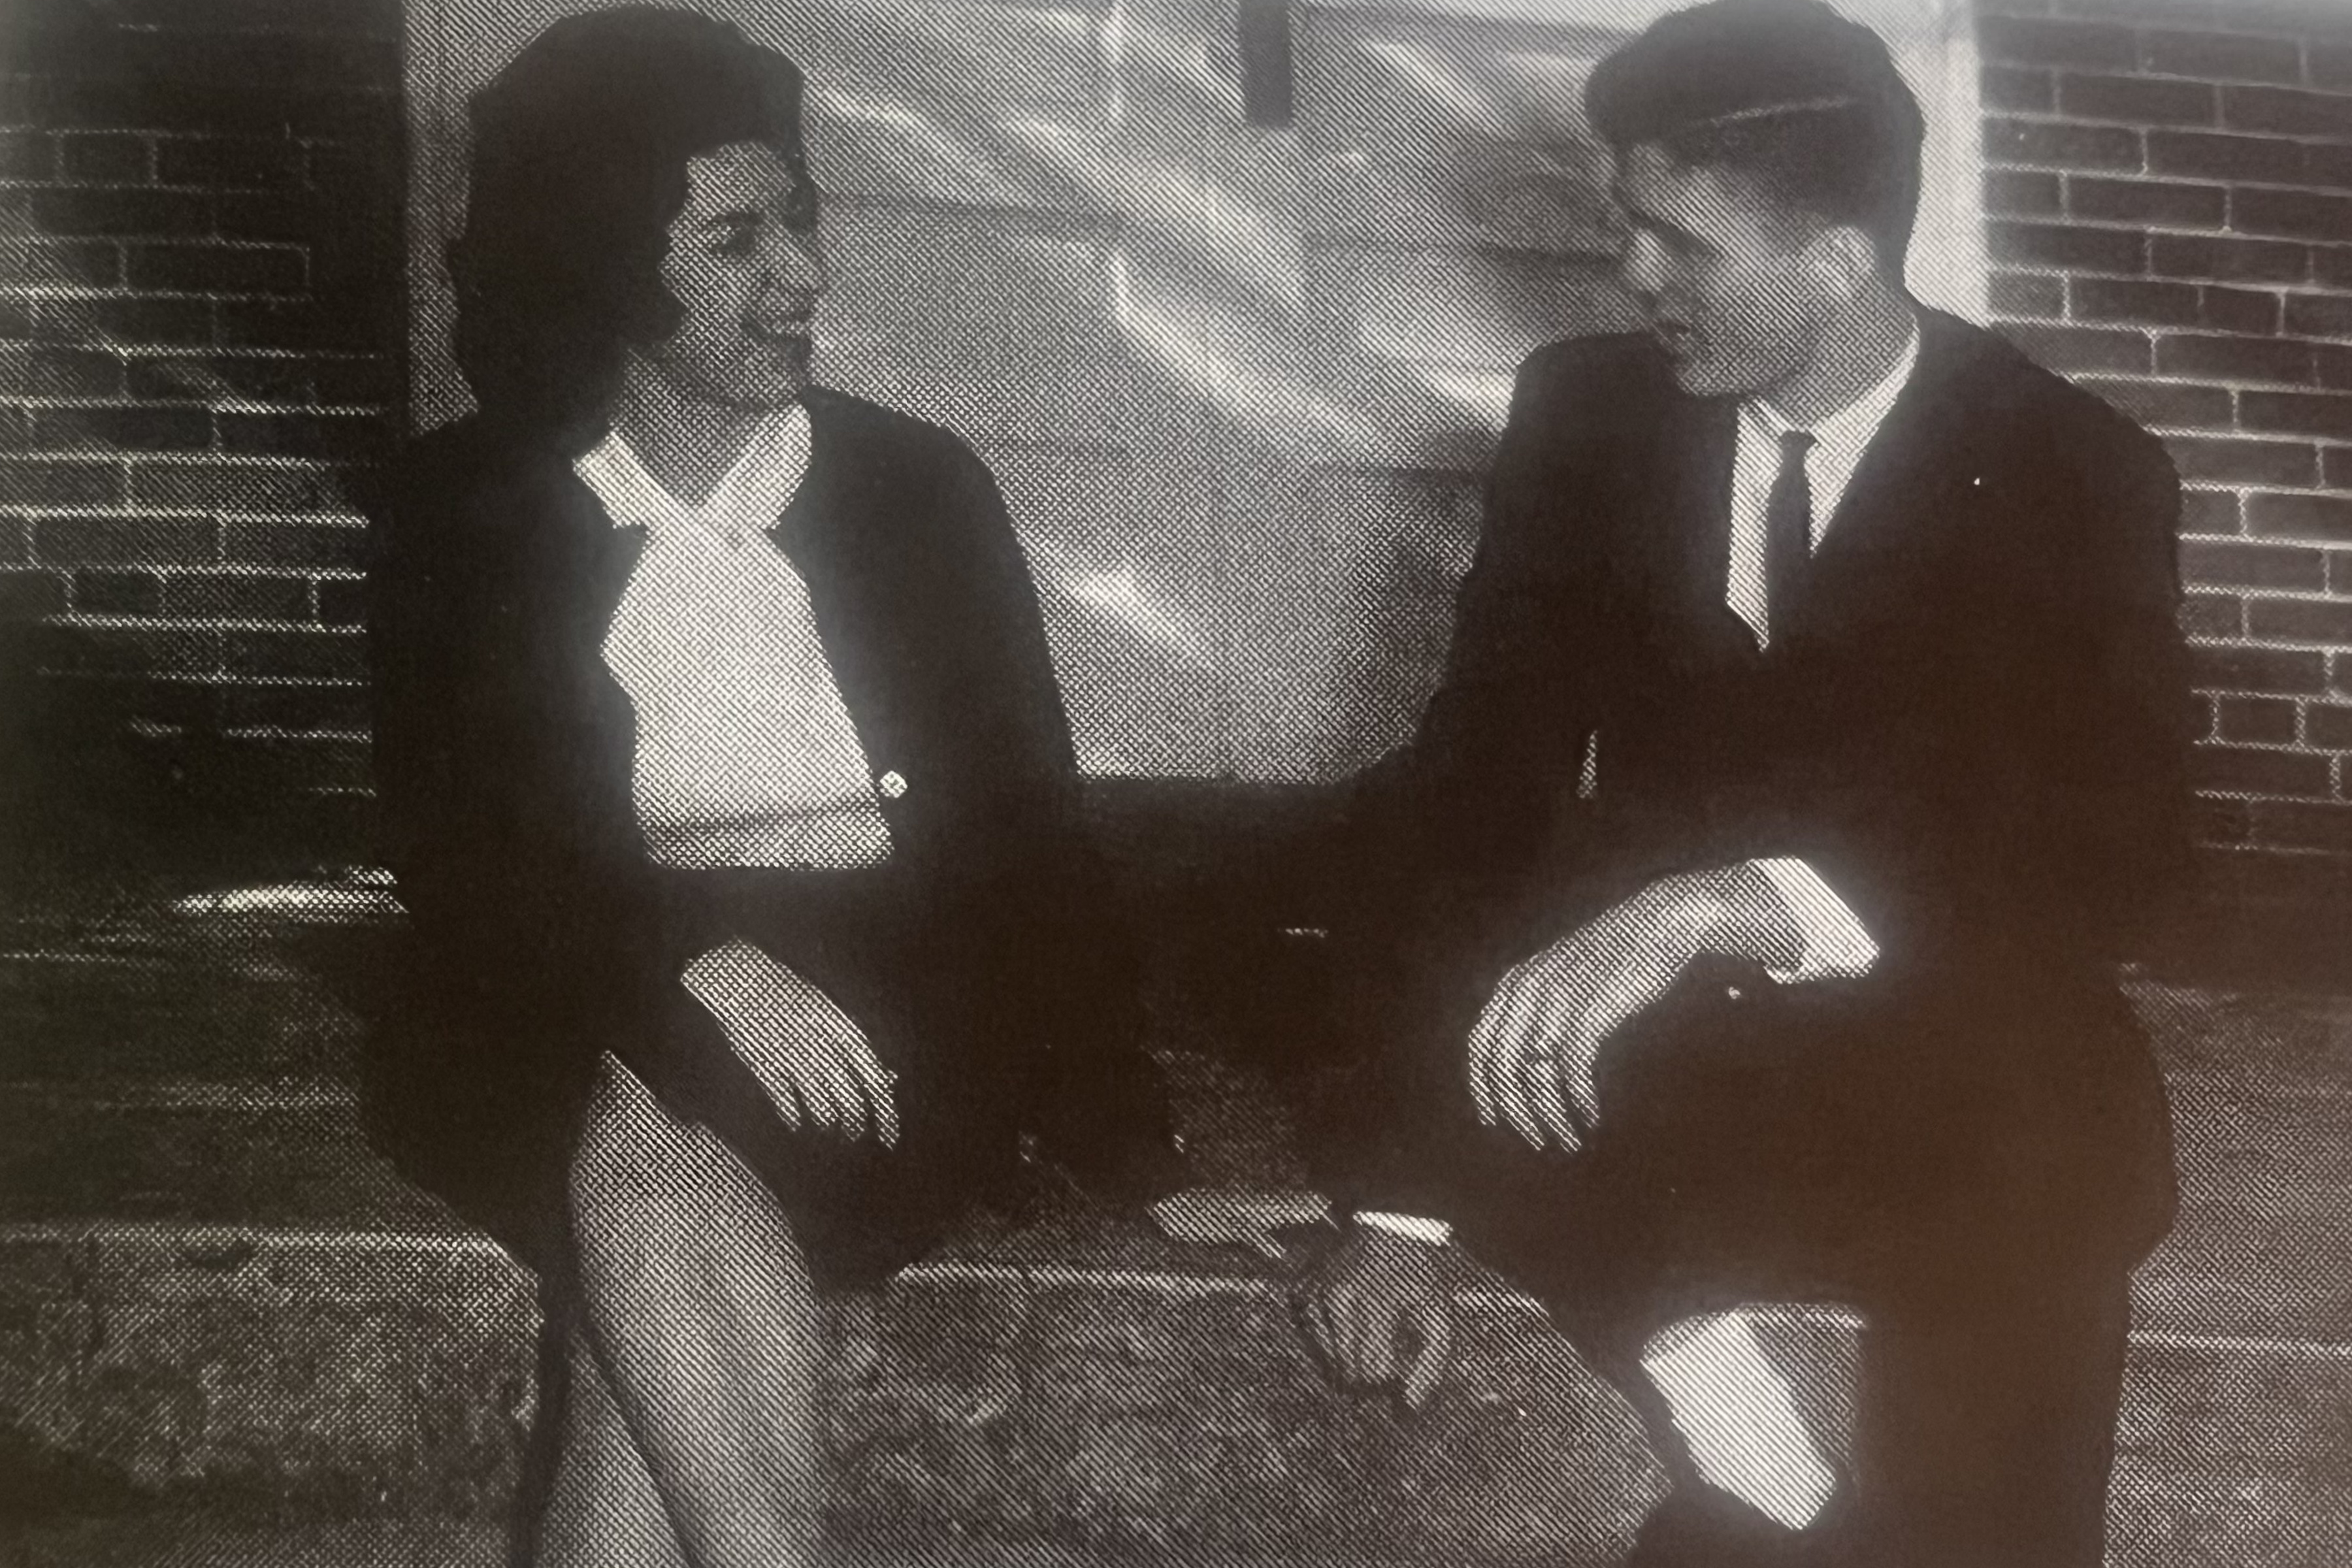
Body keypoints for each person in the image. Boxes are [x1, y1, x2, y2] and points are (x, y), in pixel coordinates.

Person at [364, 11, 1309, 1565]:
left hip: (882, 995)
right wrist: (696, 959)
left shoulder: (913, 492)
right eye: (735, 242)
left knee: (646, 1215)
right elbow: (464, 852)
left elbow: (1028, 839)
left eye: (800, 222)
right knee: (648, 1109)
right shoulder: (462, 512)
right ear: (600, 258)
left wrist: (1131, 1145)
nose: (801, 276)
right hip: (559, 980)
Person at [1290, 1, 2193, 1562]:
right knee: (1485, 1030)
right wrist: (1399, 1205)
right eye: (1624, 226)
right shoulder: (1588, 416)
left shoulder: (2072, 469)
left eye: (1680, 243)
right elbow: (1476, 788)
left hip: (1954, 1036)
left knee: (2040, 1202)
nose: (1634, 276)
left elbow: (2123, 854)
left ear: (1836, 262)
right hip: (1664, 1060)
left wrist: (1743, 901)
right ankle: (1746, 1444)